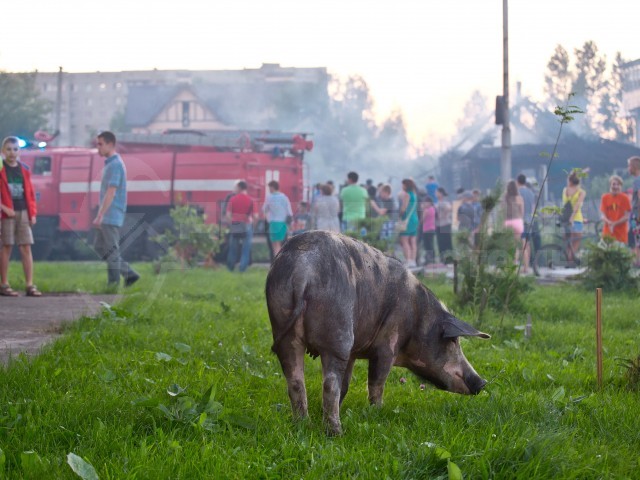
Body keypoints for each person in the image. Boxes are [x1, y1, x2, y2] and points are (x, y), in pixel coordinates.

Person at [92, 131, 140, 288]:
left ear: (110, 144)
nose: (97, 147)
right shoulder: (110, 164)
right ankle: (128, 273)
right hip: (108, 214)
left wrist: (100, 215)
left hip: (111, 214)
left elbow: (111, 192)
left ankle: (114, 284)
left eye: (100, 144)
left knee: (111, 250)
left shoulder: (115, 165)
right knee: (100, 247)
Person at [0, 137, 42, 296]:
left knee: (26, 246)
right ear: (3, 151)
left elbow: (29, 193)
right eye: (9, 149)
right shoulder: (1, 169)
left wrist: (33, 213)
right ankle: (4, 284)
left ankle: (29, 285)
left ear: (19, 151)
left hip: (23, 211)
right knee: (6, 247)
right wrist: (4, 207)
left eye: (15, 149)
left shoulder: (24, 169)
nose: (12, 152)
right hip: (7, 213)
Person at [226, 180, 255, 272]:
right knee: (245, 248)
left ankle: (230, 267)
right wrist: (252, 224)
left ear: (239, 188)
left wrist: (230, 224)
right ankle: (242, 269)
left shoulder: (232, 199)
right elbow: (256, 216)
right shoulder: (251, 200)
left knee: (233, 248)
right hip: (246, 225)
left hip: (235, 224)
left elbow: (228, 215)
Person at [562, 170, 587, 266]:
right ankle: (570, 261)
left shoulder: (565, 190)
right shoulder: (581, 192)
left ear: (570, 180)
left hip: (566, 219)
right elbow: (577, 206)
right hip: (576, 219)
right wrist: (572, 218)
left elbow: (566, 205)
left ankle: (569, 261)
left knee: (569, 241)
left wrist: (569, 219)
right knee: (577, 240)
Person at [262, 180, 293, 257]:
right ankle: (281, 261)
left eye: (269, 188)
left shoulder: (269, 198)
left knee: (275, 245)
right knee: (281, 245)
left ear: (272, 187)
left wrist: (267, 219)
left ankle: (277, 261)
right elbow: (289, 212)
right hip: (283, 223)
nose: (269, 190)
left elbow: (264, 209)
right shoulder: (285, 197)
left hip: (273, 223)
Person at [600, 175, 631, 244]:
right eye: (614, 184)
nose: (616, 186)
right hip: (607, 233)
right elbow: (602, 215)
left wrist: (614, 224)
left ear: (621, 186)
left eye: (618, 184)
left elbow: (626, 216)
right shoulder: (605, 197)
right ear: (610, 185)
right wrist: (609, 222)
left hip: (621, 234)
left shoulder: (625, 198)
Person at [503, 180, 527, 273]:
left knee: (509, 246)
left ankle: (512, 267)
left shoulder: (505, 197)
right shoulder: (519, 198)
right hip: (518, 222)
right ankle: (525, 267)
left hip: (507, 222)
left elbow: (502, 210)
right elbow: (522, 212)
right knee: (520, 245)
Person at [397, 178, 419, 267]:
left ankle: (408, 260)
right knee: (413, 241)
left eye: (403, 184)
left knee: (404, 240)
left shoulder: (407, 195)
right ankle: (413, 261)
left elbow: (403, 208)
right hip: (414, 218)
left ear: (406, 185)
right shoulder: (414, 194)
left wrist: (399, 216)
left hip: (407, 220)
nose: (402, 186)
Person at [516, 174, 536, 267]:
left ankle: (519, 266)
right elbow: (533, 208)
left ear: (517, 181)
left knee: (519, 244)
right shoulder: (531, 193)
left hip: (520, 220)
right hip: (529, 220)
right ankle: (527, 266)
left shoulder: (517, 192)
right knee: (527, 243)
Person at [436, 187, 453, 264]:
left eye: (437, 192)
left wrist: (443, 215)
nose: (436, 193)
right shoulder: (437, 202)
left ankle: (449, 258)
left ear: (441, 193)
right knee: (440, 242)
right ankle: (442, 258)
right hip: (438, 225)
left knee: (447, 241)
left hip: (445, 224)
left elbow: (449, 208)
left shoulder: (445, 201)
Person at [628, 156, 640, 266]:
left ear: (634, 167)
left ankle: (637, 264)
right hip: (635, 214)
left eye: (629, 166)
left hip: (637, 215)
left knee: (636, 240)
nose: (628, 169)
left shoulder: (638, 180)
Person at [421, 195, 437, 265]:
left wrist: (423, 209)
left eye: (426, 202)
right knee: (431, 244)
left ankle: (429, 258)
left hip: (426, 229)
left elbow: (422, 220)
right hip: (432, 229)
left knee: (427, 245)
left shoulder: (426, 210)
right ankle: (432, 257)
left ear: (430, 202)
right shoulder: (433, 208)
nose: (425, 204)